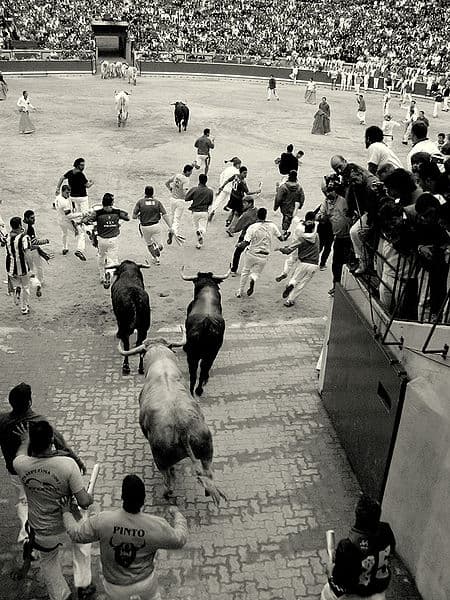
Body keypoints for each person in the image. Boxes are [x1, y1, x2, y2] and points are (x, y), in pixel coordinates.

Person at [61, 474, 188, 600]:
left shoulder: (103, 520)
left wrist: (66, 512)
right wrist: (178, 515)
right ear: (143, 499)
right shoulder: (156, 525)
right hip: (145, 582)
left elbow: (76, 534)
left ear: (122, 497)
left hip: (115, 585)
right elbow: (180, 539)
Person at [13, 420, 95, 600]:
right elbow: (83, 501)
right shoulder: (66, 464)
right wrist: (90, 497)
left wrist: (25, 440)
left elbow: (19, 452)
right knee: (82, 547)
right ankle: (83, 585)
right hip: (70, 525)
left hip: (42, 530)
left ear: (32, 443)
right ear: (51, 440)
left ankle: (61, 596)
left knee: (48, 562)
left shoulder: (21, 464)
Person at [0, 383, 85, 546]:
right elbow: (62, 444)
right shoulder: (39, 422)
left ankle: (26, 534)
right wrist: (77, 461)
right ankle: (47, 528)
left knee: (23, 499)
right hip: (40, 470)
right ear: (30, 402)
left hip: (15, 471)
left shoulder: (2, 421)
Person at [321, 495, 396, 600]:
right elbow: (391, 552)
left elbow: (340, 582)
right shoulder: (386, 530)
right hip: (379, 590)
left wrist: (330, 570)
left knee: (327, 593)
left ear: (357, 515)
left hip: (356, 594)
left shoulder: (347, 546)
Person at [82, 193, 130, 288]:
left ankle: (102, 276)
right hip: (113, 239)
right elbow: (127, 218)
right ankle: (109, 273)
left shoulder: (98, 213)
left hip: (101, 239)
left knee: (101, 256)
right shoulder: (116, 212)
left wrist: (91, 220)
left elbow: (85, 220)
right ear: (112, 202)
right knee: (113, 260)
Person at [236, 207, 283, 298]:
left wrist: (239, 245)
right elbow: (281, 238)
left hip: (252, 253)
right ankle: (253, 278)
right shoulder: (272, 226)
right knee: (256, 273)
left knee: (245, 271)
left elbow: (246, 242)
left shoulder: (252, 227)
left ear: (257, 215)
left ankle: (240, 291)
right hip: (264, 255)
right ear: (265, 216)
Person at [318, 177, 352, 296]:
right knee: (335, 264)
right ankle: (335, 285)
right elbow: (321, 215)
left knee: (347, 263)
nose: (328, 194)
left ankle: (346, 287)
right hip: (338, 237)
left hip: (349, 238)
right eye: (326, 191)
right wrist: (321, 217)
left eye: (330, 190)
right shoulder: (326, 202)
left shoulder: (344, 200)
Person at [277, 211, 320, 307]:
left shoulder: (301, 239)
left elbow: (288, 250)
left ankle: (291, 284)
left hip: (303, 263)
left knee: (295, 278)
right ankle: (290, 300)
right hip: (314, 264)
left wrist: (280, 249)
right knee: (302, 284)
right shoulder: (316, 236)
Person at [55, 158, 94, 260]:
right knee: (85, 215)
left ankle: (65, 247)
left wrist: (57, 188)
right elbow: (87, 186)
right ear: (77, 165)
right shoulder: (81, 175)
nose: (83, 167)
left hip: (73, 198)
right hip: (82, 198)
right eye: (81, 165)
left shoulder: (70, 173)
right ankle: (88, 231)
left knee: (65, 231)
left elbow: (61, 178)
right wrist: (92, 182)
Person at [132, 186, 174, 265]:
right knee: (160, 245)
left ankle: (156, 259)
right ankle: (158, 247)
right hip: (156, 226)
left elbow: (133, 216)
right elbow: (164, 215)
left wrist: (139, 216)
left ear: (145, 193)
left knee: (149, 243)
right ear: (153, 193)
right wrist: (170, 226)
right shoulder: (157, 202)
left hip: (145, 227)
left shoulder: (140, 202)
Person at [219, 165, 261, 233]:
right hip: (238, 199)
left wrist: (222, 186)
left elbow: (228, 180)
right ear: (241, 173)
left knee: (233, 209)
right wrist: (256, 191)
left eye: (246, 173)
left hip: (232, 196)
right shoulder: (242, 182)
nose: (245, 175)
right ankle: (230, 229)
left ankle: (228, 220)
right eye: (244, 173)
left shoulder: (235, 176)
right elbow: (247, 193)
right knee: (237, 214)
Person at [5, 216, 33, 315]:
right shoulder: (24, 238)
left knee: (16, 282)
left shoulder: (7, 237)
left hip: (10, 266)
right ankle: (24, 307)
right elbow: (27, 253)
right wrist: (31, 268)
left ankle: (16, 289)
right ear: (20, 225)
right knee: (26, 286)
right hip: (22, 266)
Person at [23, 209, 52, 297]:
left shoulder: (21, 225)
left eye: (34, 217)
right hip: (32, 251)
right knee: (39, 266)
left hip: (25, 251)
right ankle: (39, 282)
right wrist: (45, 241)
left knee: (30, 269)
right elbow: (34, 243)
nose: (34, 220)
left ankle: (31, 283)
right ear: (26, 218)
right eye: (32, 218)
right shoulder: (30, 228)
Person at [53, 184, 86, 257]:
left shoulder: (58, 197)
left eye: (69, 193)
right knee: (81, 232)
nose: (68, 195)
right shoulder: (64, 202)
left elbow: (54, 204)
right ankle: (79, 250)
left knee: (64, 233)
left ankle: (65, 248)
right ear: (63, 191)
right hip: (66, 221)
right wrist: (81, 214)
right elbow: (69, 216)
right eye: (67, 193)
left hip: (59, 219)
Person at [229, 196, 258, 275]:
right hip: (256, 236)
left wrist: (232, 229)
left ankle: (234, 270)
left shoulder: (246, 214)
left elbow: (238, 227)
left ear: (250, 203)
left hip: (245, 236)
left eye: (245, 203)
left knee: (237, 252)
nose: (243, 205)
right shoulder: (257, 210)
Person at [165, 164, 194, 241]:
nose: (191, 173)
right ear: (187, 171)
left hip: (172, 199)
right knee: (177, 218)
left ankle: (171, 229)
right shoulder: (186, 180)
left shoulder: (177, 176)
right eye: (190, 172)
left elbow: (167, 183)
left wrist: (170, 189)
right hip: (180, 201)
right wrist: (189, 197)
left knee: (172, 216)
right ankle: (174, 231)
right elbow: (185, 192)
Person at [185, 173, 214, 249]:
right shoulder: (210, 191)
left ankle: (199, 243)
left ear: (199, 180)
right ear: (206, 181)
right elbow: (210, 203)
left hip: (195, 212)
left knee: (196, 226)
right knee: (203, 227)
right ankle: (200, 233)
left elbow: (186, 198)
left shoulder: (194, 189)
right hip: (204, 211)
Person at [274, 170, 305, 239]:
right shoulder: (299, 187)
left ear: (289, 177)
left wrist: (276, 206)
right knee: (290, 217)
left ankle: (285, 232)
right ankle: (288, 231)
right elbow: (302, 197)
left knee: (286, 217)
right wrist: (300, 205)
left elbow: (278, 198)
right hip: (294, 207)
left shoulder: (283, 187)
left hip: (285, 206)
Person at [208, 157, 241, 221]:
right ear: (237, 164)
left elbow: (221, 176)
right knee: (232, 200)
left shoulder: (227, 169)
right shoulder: (237, 171)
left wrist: (221, 185)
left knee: (218, 200)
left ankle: (212, 211)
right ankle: (227, 206)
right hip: (232, 189)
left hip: (224, 187)